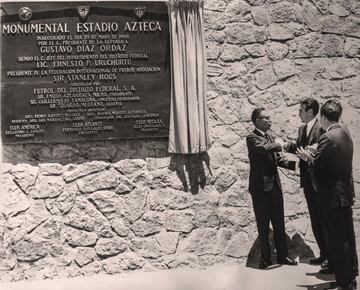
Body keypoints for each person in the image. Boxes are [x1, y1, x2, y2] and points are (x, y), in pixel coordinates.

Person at [298, 100, 357, 290]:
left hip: (331, 197)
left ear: (323, 117)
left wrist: (309, 157)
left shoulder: (328, 137)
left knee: (338, 242)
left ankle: (343, 283)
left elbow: (319, 166)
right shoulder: (344, 133)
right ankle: (350, 278)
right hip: (344, 195)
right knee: (347, 238)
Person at [246, 107, 298, 269]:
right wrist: (280, 145)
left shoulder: (270, 136)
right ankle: (266, 259)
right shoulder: (252, 137)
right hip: (260, 188)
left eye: (270, 117)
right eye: (266, 118)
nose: (270, 120)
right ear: (257, 121)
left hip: (274, 186)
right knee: (263, 224)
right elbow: (263, 148)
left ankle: (282, 257)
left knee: (279, 223)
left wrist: (296, 163)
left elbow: (276, 159)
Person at [284, 98, 328, 266]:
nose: (298, 113)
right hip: (308, 183)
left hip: (320, 183)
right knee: (315, 221)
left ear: (310, 112)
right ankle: (324, 254)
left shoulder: (322, 129)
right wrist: (282, 145)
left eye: (301, 110)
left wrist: (311, 156)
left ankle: (330, 258)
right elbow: (297, 147)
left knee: (324, 221)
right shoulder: (302, 129)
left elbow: (323, 154)